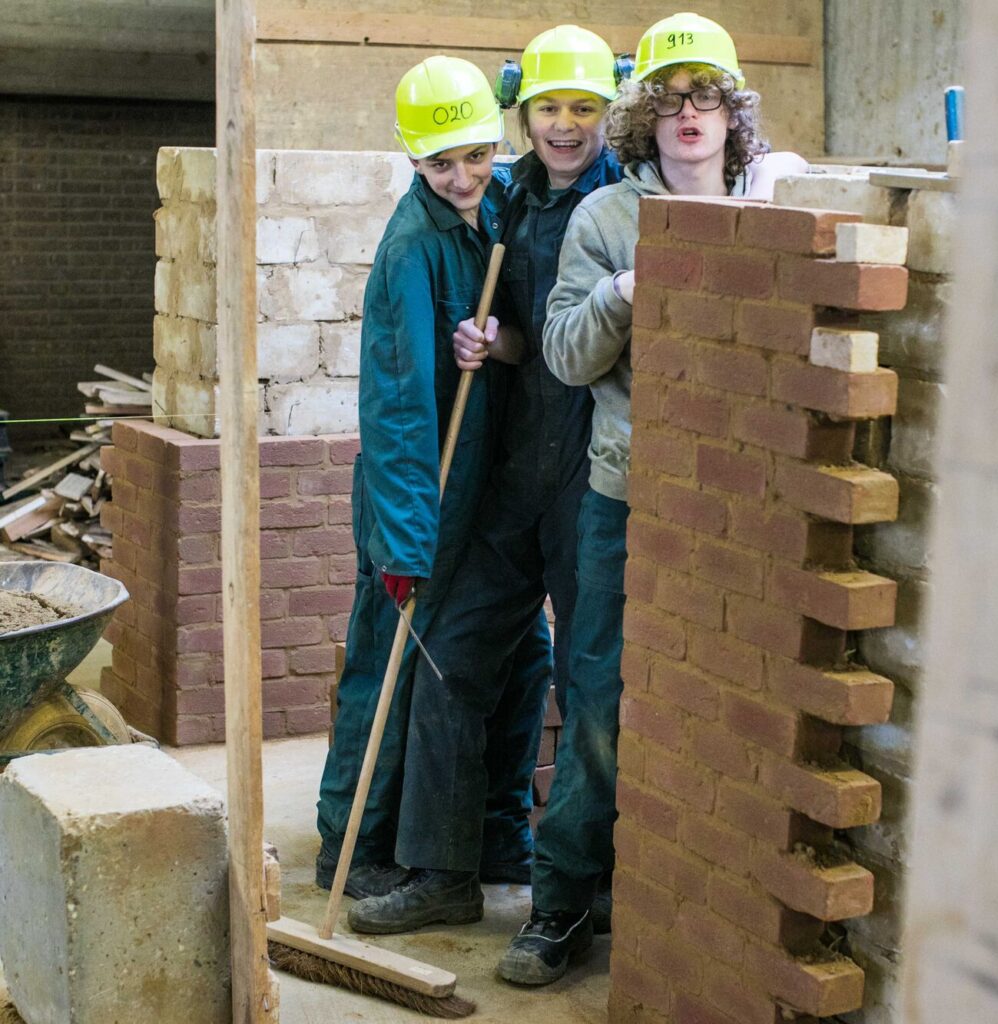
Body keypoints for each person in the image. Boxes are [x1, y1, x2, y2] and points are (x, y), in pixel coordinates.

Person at [497, 12, 809, 985]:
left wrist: (775, 196)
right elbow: (562, 353)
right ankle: (561, 906)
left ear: (731, 113)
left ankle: (675, 887)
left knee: (724, 701)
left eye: (704, 95)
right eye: (669, 98)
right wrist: (624, 289)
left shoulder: (765, 203)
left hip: (736, 510)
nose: (687, 113)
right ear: (647, 117)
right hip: (621, 494)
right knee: (594, 699)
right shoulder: (603, 220)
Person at [345, 25, 627, 936]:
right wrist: (491, 342)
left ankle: (578, 889)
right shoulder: (508, 203)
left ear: (607, 112)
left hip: (589, 479)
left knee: (588, 686)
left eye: (583, 107)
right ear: (526, 113)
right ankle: (445, 871)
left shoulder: (625, 204)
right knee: (453, 660)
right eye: (550, 107)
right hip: (512, 474)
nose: (566, 124)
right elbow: (516, 335)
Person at [315, 55, 553, 902]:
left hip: (487, 490)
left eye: (476, 156)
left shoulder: (496, 206)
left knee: (524, 654)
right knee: (389, 669)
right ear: (412, 161)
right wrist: (405, 542)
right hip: (417, 500)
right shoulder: (412, 250)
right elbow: (402, 407)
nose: (461, 177)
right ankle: (351, 842)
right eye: (439, 164)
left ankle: (494, 834)